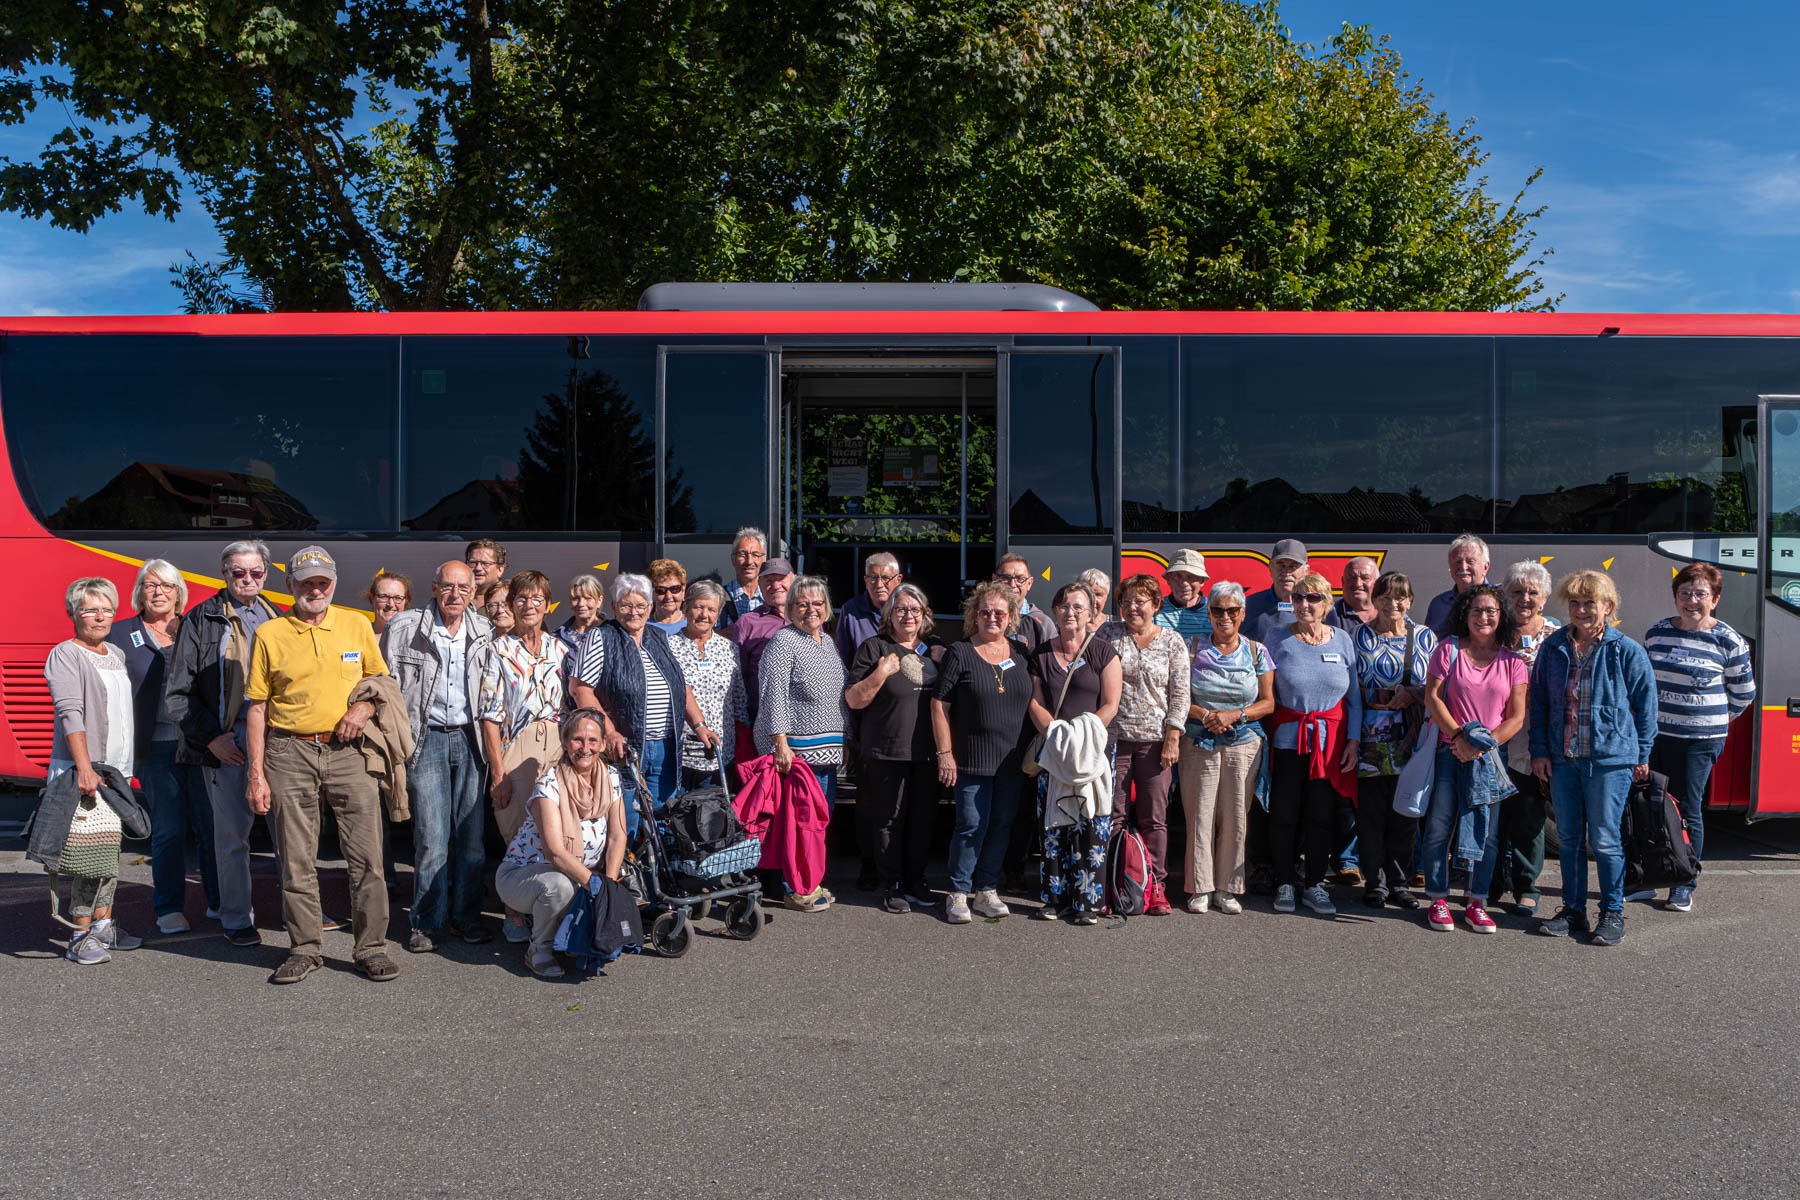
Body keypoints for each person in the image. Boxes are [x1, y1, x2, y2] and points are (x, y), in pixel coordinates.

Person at [244, 546, 399, 984]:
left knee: (367, 857)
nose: (316, 589)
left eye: (323, 582)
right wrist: (256, 774)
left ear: (333, 584)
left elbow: (380, 682)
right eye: (307, 582)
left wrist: (364, 710)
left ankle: (370, 948)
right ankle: (305, 948)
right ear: (290, 585)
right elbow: (257, 708)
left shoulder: (354, 624)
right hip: (289, 753)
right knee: (296, 859)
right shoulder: (271, 634)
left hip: (350, 753)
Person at [164, 539, 284, 948]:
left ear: (266, 575)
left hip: (278, 747)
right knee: (232, 841)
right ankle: (235, 917)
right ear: (225, 573)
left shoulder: (278, 617)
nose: (247, 579)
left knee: (290, 837)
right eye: (238, 572)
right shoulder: (202, 620)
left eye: (255, 573)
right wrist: (210, 740)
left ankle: (299, 913)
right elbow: (177, 695)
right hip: (227, 746)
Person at [1529, 569, 1658, 947]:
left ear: (1608, 607)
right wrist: (1540, 751)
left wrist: (1642, 753)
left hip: (1610, 761)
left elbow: (1646, 706)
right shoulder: (1553, 648)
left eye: (1590, 602)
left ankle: (1612, 913)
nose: (1582, 610)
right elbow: (1539, 703)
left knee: (1604, 840)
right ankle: (1572, 911)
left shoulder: (1626, 650)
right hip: (1564, 758)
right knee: (1568, 839)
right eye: (1575, 602)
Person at [382, 560, 495, 952]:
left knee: (472, 838)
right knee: (431, 836)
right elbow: (384, 684)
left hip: (471, 738)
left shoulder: (484, 629)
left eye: (464, 589)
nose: (455, 595)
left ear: (473, 593)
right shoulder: (404, 628)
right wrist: (398, 743)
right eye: (448, 587)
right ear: (434, 587)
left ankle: (466, 917)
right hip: (425, 738)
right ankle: (427, 921)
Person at [109, 560, 219, 935]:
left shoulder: (195, 629)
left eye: (167, 586)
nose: (158, 591)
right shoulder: (121, 635)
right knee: (170, 828)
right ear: (139, 592)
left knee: (211, 825)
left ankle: (220, 902)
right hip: (155, 748)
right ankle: (169, 907)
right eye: (150, 585)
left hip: (201, 745)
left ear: (179, 594)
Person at [1643, 562, 1756, 913]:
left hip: (1699, 740)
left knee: (1687, 809)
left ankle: (1684, 882)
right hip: (1657, 735)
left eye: (1701, 594)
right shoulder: (1657, 633)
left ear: (1715, 598)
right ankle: (1650, 876)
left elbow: (1743, 693)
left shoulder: (1728, 640)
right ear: (1675, 597)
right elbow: (1645, 685)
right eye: (1685, 593)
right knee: (1650, 806)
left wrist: (1714, 720)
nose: (1692, 600)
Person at [1418, 585, 1527, 934]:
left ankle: (1476, 901)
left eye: (1491, 611)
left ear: (1501, 616)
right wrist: (1459, 738)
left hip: (1490, 757)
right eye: (1477, 610)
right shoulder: (1447, 649)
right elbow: (1432, 698)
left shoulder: (1513, 662)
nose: (1484, 617)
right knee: (1439, 827)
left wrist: (1481, 745)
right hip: (1451, 751)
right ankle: (1437, 898)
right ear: (1465, 614)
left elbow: (1516, 718)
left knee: (1489, 834)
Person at [47, 577, 142, 964]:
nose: (100, 616)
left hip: (114, 772)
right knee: (89, 856)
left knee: (109, 854)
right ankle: (79, 935)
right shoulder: (66, 654)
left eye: (107, 609)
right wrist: (85, 769)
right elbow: (70, 713)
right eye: (90, 609)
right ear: (73, 613)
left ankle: (103, 927)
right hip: (84, 771)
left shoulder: (116, 653)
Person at [573, 574, 718, 831]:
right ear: (615, 607)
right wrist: (609, 733)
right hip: (624, 749)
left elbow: (681, 688)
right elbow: (582, 690)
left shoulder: (659, 638)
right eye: (627, 605)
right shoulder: (601, 637)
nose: (634, 612)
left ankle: (655, 873)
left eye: (641, 606)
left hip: (664, 747)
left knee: (662, 822)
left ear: (650, 607)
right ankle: (621, 870)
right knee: (624, 823)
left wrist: (700, 726)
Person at [493, 710, 627, 979]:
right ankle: (539, 949)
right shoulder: (549, 784)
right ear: (565, 743)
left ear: (602, 744)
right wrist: (596, 886)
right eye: (578, 740)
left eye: (592, 741)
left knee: (597, 884)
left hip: (579, 874)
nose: (585, 748)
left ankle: (568, 938)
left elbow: (617, 836)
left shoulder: (611, 778)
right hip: (521, 876)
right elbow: (555, 852)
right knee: (560, 887)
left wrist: (608, 887)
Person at [931, 581, 1033, 925]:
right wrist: (945, 753)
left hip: (1012, 760)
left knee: (1002, 824)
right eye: (985, 611)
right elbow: (939, 704)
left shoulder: (1021, 653)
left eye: (999, 613)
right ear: (974, 615)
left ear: (1011, 617)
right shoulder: (960, 652)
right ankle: (958, 892)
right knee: (971, 825)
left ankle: (987, 889)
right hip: (971, 758)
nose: (992, 618)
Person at [479, 570, 571, 944]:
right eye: (520, 599)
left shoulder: (560, 649)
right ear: (510, 605)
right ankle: (515, 912)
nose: (528, 605)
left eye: (536, 599)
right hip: (517, 747)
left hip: (559, 745)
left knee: (556, 830)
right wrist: (498, 774)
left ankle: (551, 910)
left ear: (547, 605)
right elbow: (489, 715)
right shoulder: (497, 650)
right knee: (517, 831)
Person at [1266, 570, 1361, 916]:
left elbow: (1354, 699)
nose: (1304, 604)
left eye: (1313, 598)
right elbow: (1266, 691)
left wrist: (1354, 740)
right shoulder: (1277, 638)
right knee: (1284, 814)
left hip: (1330, 743)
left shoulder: (1342, 641)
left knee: (1321, 816)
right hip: (1288, 742)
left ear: (1327, 604)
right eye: (1298, 598)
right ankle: (1285, 881)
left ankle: (1315, 884)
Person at [845, 583, 942, 914]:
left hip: (927, 753)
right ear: (888, 615)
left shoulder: (935, 650)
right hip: (885, 751)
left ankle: (915, 880)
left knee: (922, 820)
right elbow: (854, 700)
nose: (908, 615)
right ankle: (891, 884)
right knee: (888, 820)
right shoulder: (875, 648)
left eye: (915, 610)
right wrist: (881, 673)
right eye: (900, 609)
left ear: (925, 615)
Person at [1178, 580, 1274, 915]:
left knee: (1235, 817)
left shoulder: (1256, 651)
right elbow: (1177, 697)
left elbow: (1268, 702)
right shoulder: (1191, 648)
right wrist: (1206, 715)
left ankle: (1227, 888)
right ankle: (1199, 887)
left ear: (1242, 613)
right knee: (1199, 815)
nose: (1225, 617)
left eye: (1232, 610)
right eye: (1218, 610)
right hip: (1198, 739)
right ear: (1209, 612)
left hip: (1243, 742)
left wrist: (1236, 714)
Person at [1028, 584, 1122, 924]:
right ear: (1055, 611)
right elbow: (1035, 702)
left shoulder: (1104, 652)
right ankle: (1055, 898)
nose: (1071, 612)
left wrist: (1082, 733)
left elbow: (1111, 703)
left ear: (1091, 613)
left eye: (1079, 606)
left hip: (1095, 749)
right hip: (1054, 751)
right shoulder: (1039, 655)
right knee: (1054, 825)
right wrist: (1056, 733)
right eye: (1064, 606)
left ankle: (1087, 902)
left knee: (1092, 823)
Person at [754, 576, 849, 909]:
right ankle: (794, 888)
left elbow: (839, 696)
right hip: (796, 753)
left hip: (827, 752)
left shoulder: (827, 641)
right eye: (803, 603)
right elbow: (773, 694)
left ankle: (811, 880)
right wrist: (779, 741)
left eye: (818, 603)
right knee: (797, 824)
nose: (811, 609)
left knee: (818, 821)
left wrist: (845, 736)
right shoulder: (784, 641)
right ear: (790, 608)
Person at [1097, 573, 1188, 911]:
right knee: (1113, 815)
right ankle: (1112, 885)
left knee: (1154, 818)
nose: (1132, 607)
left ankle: (1155, 887)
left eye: (1139, 601)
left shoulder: (1173, 641)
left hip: (1154, 743)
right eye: (1126, 601)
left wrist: (1173, 737)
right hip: (1115, 740)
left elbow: (1179, 693)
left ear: (1155, 605)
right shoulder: (1108, 634)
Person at [1351, 571, 1436, 909]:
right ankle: (1375, 882)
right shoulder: (1358, 637)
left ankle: (1401, 883)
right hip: (1370, 739)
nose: (1393, 603)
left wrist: (1413, 694)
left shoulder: (1427, 637)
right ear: (1375, 600)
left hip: (1411, 739)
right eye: (1385, 596)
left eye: (1400, 597)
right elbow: (1349, 687)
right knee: (1371, 814)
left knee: (1405, 813)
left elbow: (1439, 686)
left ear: (1410, 601)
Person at [1489, 560, 1560, 915]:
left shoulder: (1557, 635)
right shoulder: (1493, 632)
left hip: (1535, 740)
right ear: (1505, 595)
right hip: (1495, 736)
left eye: (1533, 592)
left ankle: (1526, 886)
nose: (1525, 598)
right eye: (1517, 591)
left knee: (1530, 816)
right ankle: (1490, 883)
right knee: (1493, 815)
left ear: (1545, 597)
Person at [669, 579, 748, 788]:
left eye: (712, 609)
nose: (704, 615)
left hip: (721, 752)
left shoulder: (730, 649)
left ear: (719, 612)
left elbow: (739, 699)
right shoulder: (668, 647)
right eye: (698, 607)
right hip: (681, 752)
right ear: (686, 608)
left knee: (712, 816)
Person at [732, 558, 794, 728]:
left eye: (781, 579)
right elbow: (739, 676)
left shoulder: (808, 618)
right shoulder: (747, 622)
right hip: (763, 721)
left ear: (793, 579)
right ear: (759, 584)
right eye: (769, 580)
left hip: (804, 721)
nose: (775, 586)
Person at [834, 551, 902, 666]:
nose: (879, 584)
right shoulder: (851, 611)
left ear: (898, 580)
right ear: (866, 581)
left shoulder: (909, 609)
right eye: (873, 578)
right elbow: (842, 659)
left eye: (886, 578)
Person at [1243, 539, 1310, 645]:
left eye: (1293, 566)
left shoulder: (1316, 606)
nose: (1286, 572)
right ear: (1270, 567)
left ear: (1306, 570)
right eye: (1281, 565)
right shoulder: (1248, 605)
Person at [1425, 534, 1492, 636]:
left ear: (1486, 567)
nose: (1463, 567)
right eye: (1457, 562)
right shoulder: (1438, 604)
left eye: (1470, 561)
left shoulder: (1500, 600)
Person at [994, 553, 1057, 649]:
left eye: (1020, 579)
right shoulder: (983, 619)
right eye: (1006, 578)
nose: (1012, 585)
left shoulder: (1043, 624)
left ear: (1029, 584)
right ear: (994, 579)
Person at [1154, 549, 1212, 647]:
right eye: (1178, 576)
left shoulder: (1215, 610)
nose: (1184, 583)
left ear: (1202, 581)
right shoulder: (1155, 608)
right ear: (1168, 579)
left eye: (1191, 576)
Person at [721, 526, 770, 626]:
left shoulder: (773, 598)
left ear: (764, 559)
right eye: (742, 554)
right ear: (733, 559)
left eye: (755, 554)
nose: (749, 561)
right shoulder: (719, 598)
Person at [554, 574, 605, 663]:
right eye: (576, 598)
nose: (581, 604)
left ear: (599, 601)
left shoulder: (613, 632)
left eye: (588, 598)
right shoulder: (558, 637)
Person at [1329, 557, 1378, 630]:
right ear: (1343, 582)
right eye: (1352, 577)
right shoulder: (1328, 616)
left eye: (1365, 578)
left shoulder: (1390, 612)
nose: (1358, 584)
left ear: (1377, 582)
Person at [647, 558, 689, 634]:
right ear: (652, 593)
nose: (668, 596)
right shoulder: (643, 627)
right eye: (661, 590)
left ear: (683, 591)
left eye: (675, 589)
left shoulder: (693, 626)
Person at [366, 570, 412, 637]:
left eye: (397, 598)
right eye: (384, 597)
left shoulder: (415, 639)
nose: (391, 604)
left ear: (406, 601)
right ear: (372, 599)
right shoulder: (357, 635)